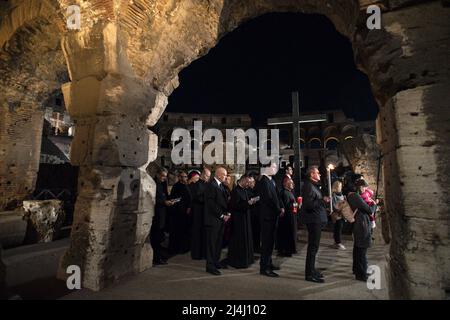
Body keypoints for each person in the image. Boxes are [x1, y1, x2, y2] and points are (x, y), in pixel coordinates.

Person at [300, 165, 330, 283]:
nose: (320, 174)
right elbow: (309, 205)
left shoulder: (313, 186)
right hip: (314, 221)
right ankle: (309, 274)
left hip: (317, 219)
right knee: (312, 248)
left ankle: (312, 270)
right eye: (317, 172)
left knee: (314, 248)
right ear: (312, 174)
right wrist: (323, 200)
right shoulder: (308, 186)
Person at [255, 162, 284, 277]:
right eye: (273, 166)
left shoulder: (271, 181)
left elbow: (277, 196)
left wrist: (281, 206)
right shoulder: (263, 181)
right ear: (266, 168)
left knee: (271, 242)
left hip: (272, 216)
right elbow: (269, 199)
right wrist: (278, 210)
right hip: (267, 217)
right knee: (266, 243)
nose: (275, 168)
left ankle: (269, 263)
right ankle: (264, 268)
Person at [204, 167, 230, 275]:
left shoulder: (220, 186)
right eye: (224, 174)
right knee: (212, 244)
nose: (226, 176)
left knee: (218, 243)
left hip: (219, 220)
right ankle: (210, 266)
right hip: (213, 220)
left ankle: (215, 261)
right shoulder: (211, 185)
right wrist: (221, 215)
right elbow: (211, 204)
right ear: (219, 174)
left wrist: (227, 213)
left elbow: (223, 202)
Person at [227, 174, 257, 268]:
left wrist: (252, 202)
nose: (248, 184)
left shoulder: (245, 190)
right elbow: (234, 206)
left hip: (245, 218)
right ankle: (239, 261)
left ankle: (247, 259)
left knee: (246, 238)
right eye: (247, 182)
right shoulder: (235, 191)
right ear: (243, 180)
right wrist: (247, 203)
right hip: (238, 220)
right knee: (239, 240)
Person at [348, 179, 373, 281]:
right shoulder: (355, 196)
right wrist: (373, 204)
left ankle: (357, 271)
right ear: (359, 187)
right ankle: (362, 274)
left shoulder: (353, 196)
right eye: (363, 187)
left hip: (360, 223)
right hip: (361, 224)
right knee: (362, 250)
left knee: (358, 249)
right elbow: (369, 210)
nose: (365, 189)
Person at [150, 167, 175, 265]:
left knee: (160, 236)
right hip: (156, 214)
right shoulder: (153, 183)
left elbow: (165, 195)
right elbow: (152, 198)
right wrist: (164, 202)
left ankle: (159, 256)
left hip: (163, 213)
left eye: (165, 176)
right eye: (163, 176)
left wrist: (170, 200)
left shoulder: (163, 183)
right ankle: (156, 258)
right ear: (157, 174)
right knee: (156, 237)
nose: (164, 178)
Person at [168, 171, 192, 255]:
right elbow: (174, 198)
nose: (184, 178)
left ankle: (183, 248)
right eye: (182, 176)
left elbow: (189, 198)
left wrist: (189, 206)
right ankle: (176, 249)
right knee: (177, 231)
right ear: (179, 177)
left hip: (185, 212)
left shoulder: (186, 185)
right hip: (178, 212)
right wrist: (180, 200)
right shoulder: (176, 186)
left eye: (185, 176)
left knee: (184, 231)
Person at [189, 168, 211, 260]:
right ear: (202, 175)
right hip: (198, 212)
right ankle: (197, 254)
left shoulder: (207, 185)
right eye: (207, 176)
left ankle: (203, 253)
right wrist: (207, 199)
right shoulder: (196, 185)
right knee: (197, 233)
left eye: (209, 176)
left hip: (205, 212)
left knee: (204, 233)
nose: (208, 178)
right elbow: (196, 197)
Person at [277, 177, 298, 257]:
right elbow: (286, 205)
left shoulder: (290, 192)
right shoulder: (284, 193)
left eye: (292, 183)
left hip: (292, 215)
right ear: (286, 184)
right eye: (291, 183)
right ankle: (285, 250)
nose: (292, 184)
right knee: (287, 234)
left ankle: (289, 249)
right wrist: (295, 204)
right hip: (287, 217)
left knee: (291, 233)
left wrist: (297, 205)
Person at [247, 175, 261, 254]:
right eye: (250, 182)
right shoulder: (247, 190)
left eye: (253, 182)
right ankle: (252, 248)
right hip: (251, 214)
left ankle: (257, 247)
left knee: (257, 231)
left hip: (257, 214)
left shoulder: (256, 190)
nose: (252, 183)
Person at [331, 180, 346, 250]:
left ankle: (336, 242)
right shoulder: (333, 195)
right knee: (338, 228)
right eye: (340, 186)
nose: (341, 187)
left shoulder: (341, 194)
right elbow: (334, 205)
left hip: (341, 213)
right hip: (337, 214)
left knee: (339, 228)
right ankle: (338, 243)